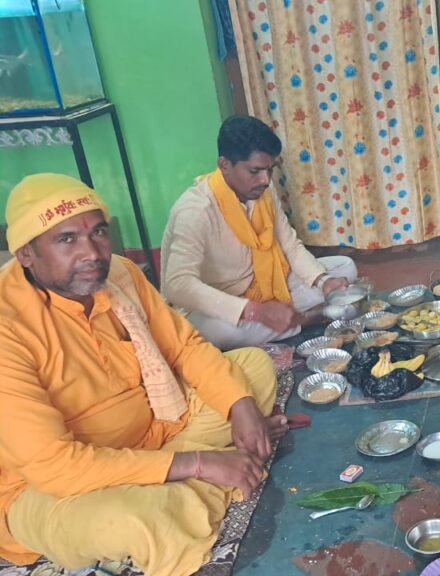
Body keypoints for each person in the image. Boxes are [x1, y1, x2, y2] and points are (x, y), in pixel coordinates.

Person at [0, 174, 289, 575]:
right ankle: (200, 483)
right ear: (26, 254)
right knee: (134, 521)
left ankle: (189, 491)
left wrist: (240, 407)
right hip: (55, 486)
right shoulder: (7, 326)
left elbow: (185, 346)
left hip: (159, 432)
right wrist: (198, 463)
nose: (91, 253)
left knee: (251, 370)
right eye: (67, 239)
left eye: (98, 232)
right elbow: (55, 467)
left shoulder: (119, 274)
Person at [161, 115, 358, 350]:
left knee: (345, 267)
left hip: (264, 283)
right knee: (222, 332)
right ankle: (304, 319)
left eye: (270, 170)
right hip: (218, 303)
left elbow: (289, 244)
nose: (265, 180)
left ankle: (285, 318)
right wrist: (253, 311)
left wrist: (323, 281)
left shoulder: (262, 190)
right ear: (225, 165)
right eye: (254, 170)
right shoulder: (195, 211)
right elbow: (177, 284)